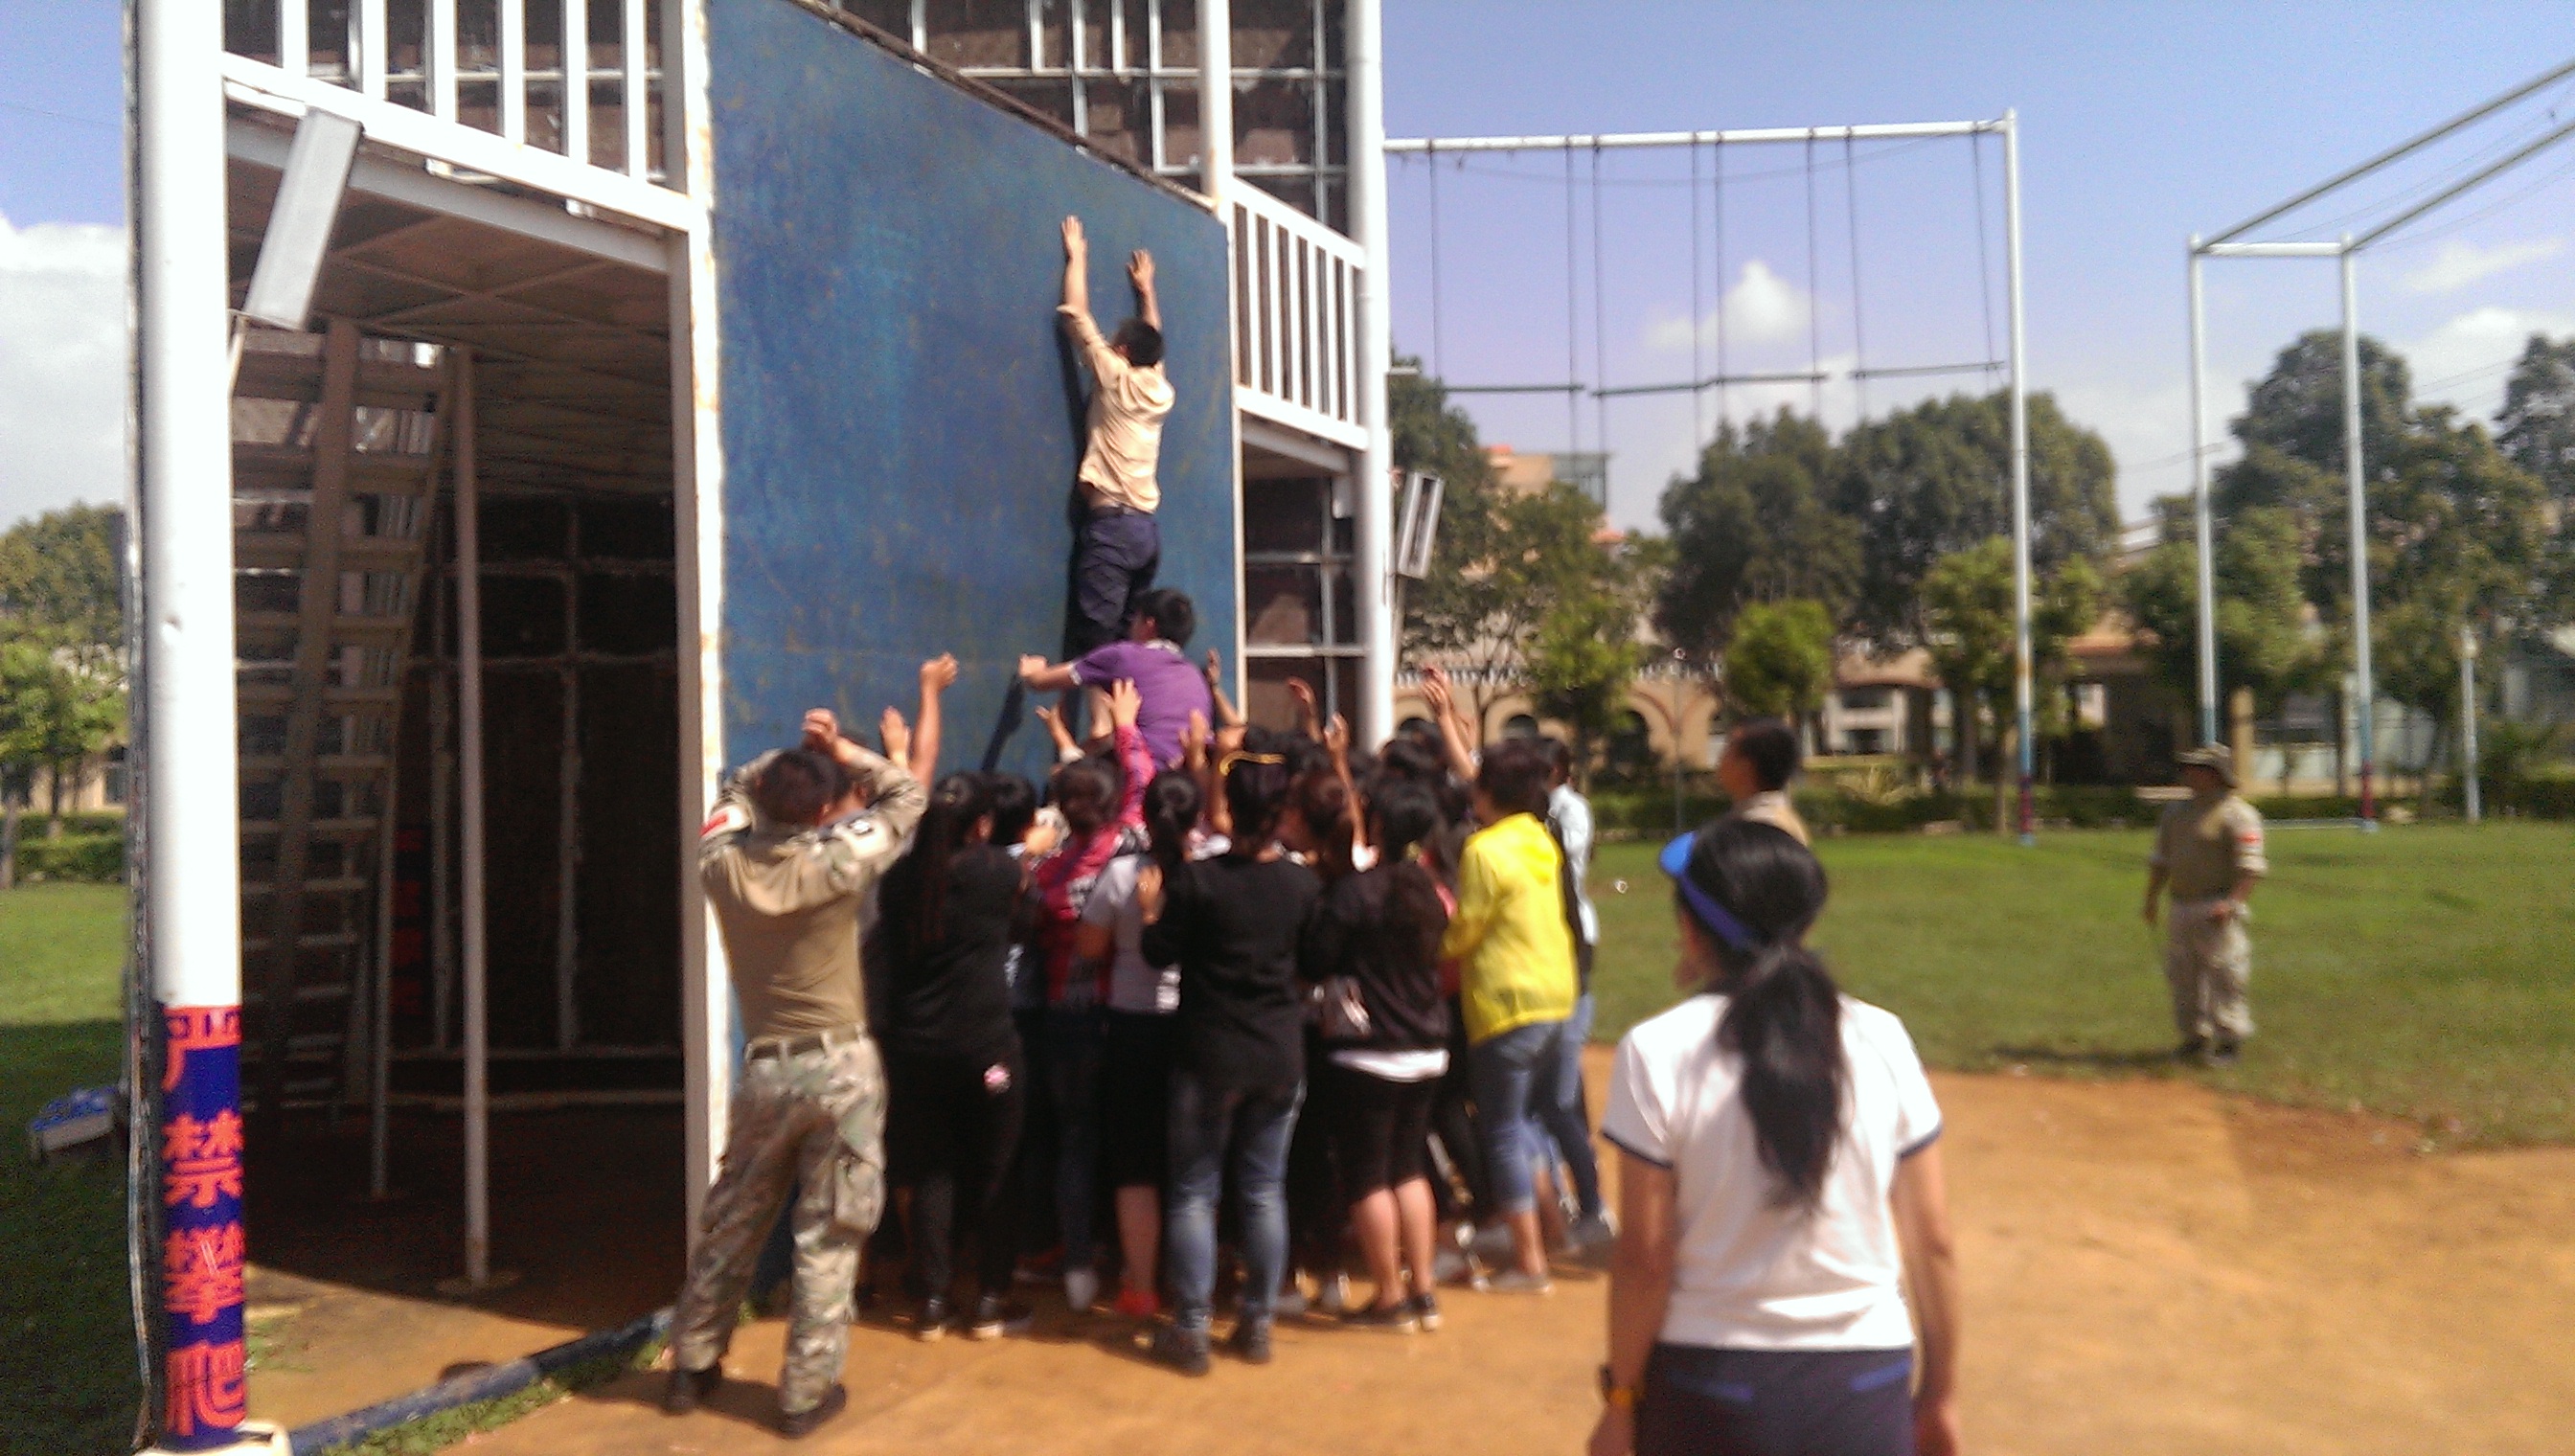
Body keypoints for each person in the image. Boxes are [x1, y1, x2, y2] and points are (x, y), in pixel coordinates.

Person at [1588, 818, 1961, 1456]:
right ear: (1805, 926)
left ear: (1692, 929)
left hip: (1711, 1386)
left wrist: (1621, 1400)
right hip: (1865, 1383)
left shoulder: (1656, 1050)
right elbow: (1934, 1241)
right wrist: (1941, 1395)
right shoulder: (1882, 1038)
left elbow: (1646, 1259)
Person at [664, 712, 925, 1439]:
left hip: (767, 1071)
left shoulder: (720, 864)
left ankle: (691, 1365)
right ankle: (803, 1395)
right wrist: (839, 749)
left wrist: (779, 764)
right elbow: (905, 796)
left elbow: (730, 792)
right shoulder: (837, 860)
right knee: (830, 1235)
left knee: (732, 1220)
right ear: (820, 811)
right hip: (841, 1069)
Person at [1139, 751, 1321, 1375]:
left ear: (1228, 809)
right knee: (1264, 1190)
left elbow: (1158, 952)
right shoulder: (1301, 884)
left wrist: (1150, 913)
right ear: (1282, 813)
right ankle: (1257, 1322)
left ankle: (1192, 1328)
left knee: (1195, 1191)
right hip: (1277, 1051)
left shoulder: (1199, 879)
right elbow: (1316, 962)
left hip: (1208, 1052)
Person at [876, 772, 1039, 1342]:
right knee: (997, 1169)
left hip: (916, 1050)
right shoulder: (996, 871)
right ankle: (991, 1299)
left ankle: (933, 1301)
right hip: (986, 1048)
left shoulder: (900, 877)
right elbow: (1028, 919)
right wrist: (1030, 857)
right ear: (982, 825)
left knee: (931, 1172)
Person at [1303, 784, 1454, 1333]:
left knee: (1368, 1175)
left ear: (1381, 827)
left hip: (1370, 1051)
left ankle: (1390, 1298)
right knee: (1408, 1168)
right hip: (1428, 1045)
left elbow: (1316, 958)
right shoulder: (1431, 889)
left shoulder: (1356, 891)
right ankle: (1423, 1291)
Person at [1029, 680, 1155, 1314]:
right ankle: (1135, 1260)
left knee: (1074, 1142)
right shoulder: (1127, 848)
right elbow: (1141, 784)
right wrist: (1127, 727)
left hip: (1065, 1023)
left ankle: (1078, 1260)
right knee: (1132, 1144)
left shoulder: (1046, 875)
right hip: (1125, 1018)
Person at [1440, 738, 1582, 1295]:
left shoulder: (1483, 849)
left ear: (1486, 792)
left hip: (1507, 1002)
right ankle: (1552, 1233)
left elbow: (1466, 929)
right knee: (1524, 1123)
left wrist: (1429, 947)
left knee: (1501, 1130)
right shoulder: (1541, 838)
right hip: (1555, 994)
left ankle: (1529, 1261)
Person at [1075, 770, 1211, 1320]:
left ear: (1146, 819)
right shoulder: (1212, 872)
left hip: (1133, 1027)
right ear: (1197, 818)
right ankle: (1195, 1281)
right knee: (1194, 1163)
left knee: (1137, 1164)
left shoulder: (1121, 874)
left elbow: (1089, 947)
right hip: (1197, 1025)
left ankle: (1141, 1284)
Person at [1057, 214, 1174, 658]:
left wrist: (1077, 257)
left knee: (1098, 643)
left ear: (1122, 352)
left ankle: (1106, 707)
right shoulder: (1158, 388)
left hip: (1114, 528)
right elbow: (1153, 340)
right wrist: (1147, 291)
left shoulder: (1116, 377)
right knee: (1127, 641)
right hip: (1145, 532)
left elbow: (1077, 315)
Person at [2143, 746, 2267, 1064]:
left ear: (2216, 775)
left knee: (2225, 974)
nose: (2189, 774)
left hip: (2216, 906)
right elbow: (2161, 859)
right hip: (2181, 904)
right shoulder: (2175, 813)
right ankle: (2193, 1037)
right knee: (2183, 975)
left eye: (2197, 769)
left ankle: (2229, 1039)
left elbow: (2250, 868)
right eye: (2188, 768)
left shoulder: (2238, 815)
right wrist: (2151, 898)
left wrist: (2233, 903)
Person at [1540, 738, 1614, 1256]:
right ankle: (1562, 1197)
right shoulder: (1534, 813)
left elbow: (1564, 863)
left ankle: (1590, 1204)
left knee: (1558, 1092)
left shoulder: (1570, 810)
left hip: (1571, 945)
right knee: (1553, 1088)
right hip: (1547, 949)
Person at [1019, 588, 1214, 769]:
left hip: (1142, 775)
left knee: (1064, 773)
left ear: (1149, 625)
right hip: (1188, 778)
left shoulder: (1123, 656)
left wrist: (1031, 672)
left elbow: (1040, 682)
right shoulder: (1196, 676)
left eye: (1135, 618)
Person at [1717, 717, 1811, 847]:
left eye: (1728, 750)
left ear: (1746, 766)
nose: (1720, 760)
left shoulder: (1760, 827)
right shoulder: (1779, 818)